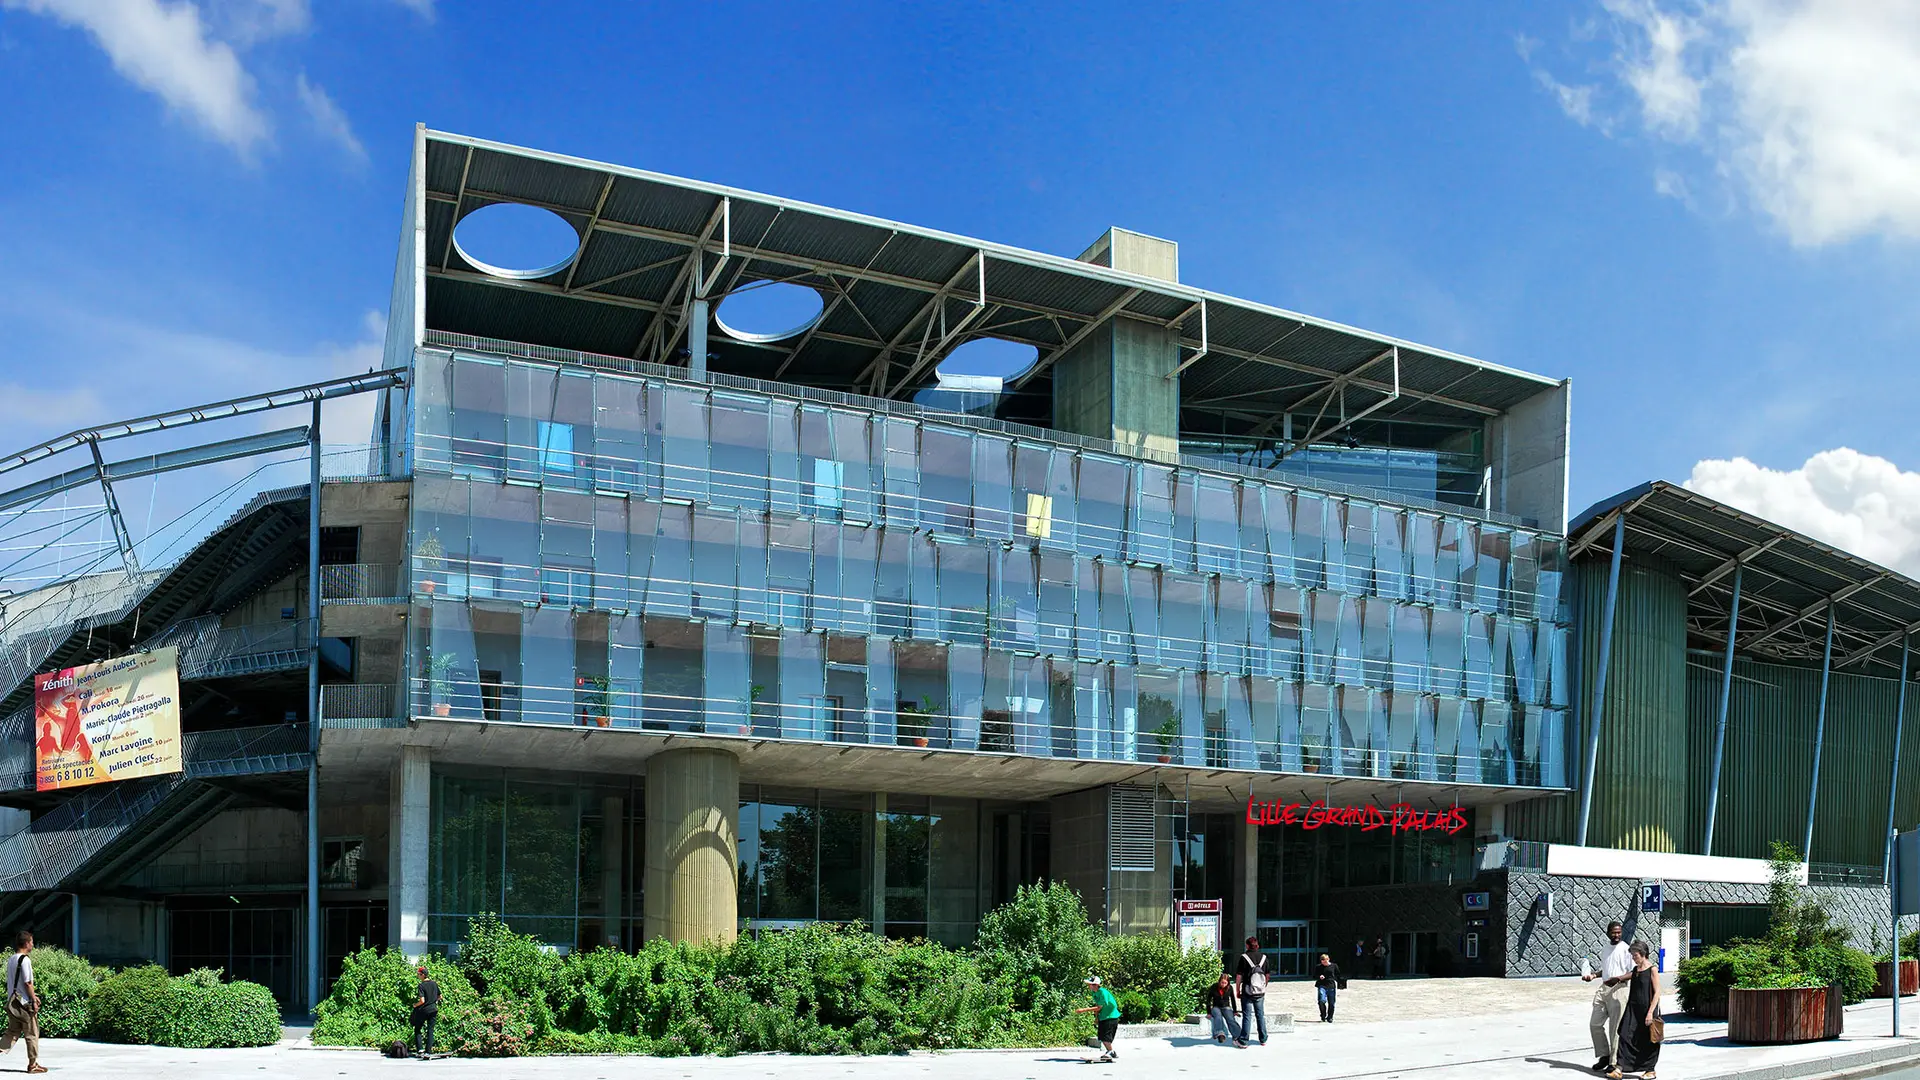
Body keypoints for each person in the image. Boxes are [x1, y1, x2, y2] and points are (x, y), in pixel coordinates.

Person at [1583, 919, 1633, 1074]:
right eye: (1614, 932)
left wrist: (1618, 979)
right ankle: (1604, 1055)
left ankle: (1614, 1062)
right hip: (1604, 988)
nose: (1617, 935)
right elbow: (1606, 969)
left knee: (1615, 1028)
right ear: (1608, 933)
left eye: (1619, 932)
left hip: (1619, 989)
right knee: (1595, 1024)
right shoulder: (1605, 948)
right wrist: (1593, 975)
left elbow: (1633, 972)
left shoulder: (1626, 949)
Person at [1610, 941, 1661, 1080]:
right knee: (1625, 1035)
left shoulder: (1652, 969)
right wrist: (1618, 979)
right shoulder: (1635, 970)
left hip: (1648, 1009)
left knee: (1649, 1040)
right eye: (1632, 955)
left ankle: (1650, 1070)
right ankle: (1619, 1068)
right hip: (1633, 1008)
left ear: (1643, 954)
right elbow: (1630, 976)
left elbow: (1657, 993)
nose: (1633, 957)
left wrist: (1650, 1012)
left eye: (1635, 955)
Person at [0, 930, 46, 1074]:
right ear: (26, 943)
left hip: (13, 1003)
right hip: (24, 1004)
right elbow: (27, 983)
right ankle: (33, 1064)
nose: (32, 944)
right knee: (31, 1033)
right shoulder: (25, 960)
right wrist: (34, 999)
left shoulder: (12, 959)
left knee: (12, 1032)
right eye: (31, 941)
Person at [1074, 974, 1122, 1063]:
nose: (1089, 986)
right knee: (1101, 1036)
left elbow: (1099, 1007)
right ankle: (1112, 1052)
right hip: (1103, 1016)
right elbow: (1097, 1005)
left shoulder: (1103, 992)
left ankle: (1110, 1052)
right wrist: (1096, 1017)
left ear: (1095, 985)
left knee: (1105, 1037)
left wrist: (1083, 1010)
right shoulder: (1095, 993)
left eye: (1090, 984)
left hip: (1111, 1017)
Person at [1235, 936, 1270, 1045]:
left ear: (1247, 946)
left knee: (1247, 1015)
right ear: (1257, 946)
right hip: (1260, 991)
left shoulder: (1244, 957)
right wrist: (1263, 986)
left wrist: (1237, 990)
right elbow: (1267, 975)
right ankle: (1263, 1039)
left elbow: (1239, 976)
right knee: (1260, 1015)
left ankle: (1244, 1041)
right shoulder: (1264, 957)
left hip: (1247, 991)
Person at [1204, 972, 1244, 1046]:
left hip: (1226, 1007)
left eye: (1225, 983)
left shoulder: (1230, 988)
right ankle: (1220, 1034)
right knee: (1218, 1017)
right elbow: (1208, 999)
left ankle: (1238, 1035)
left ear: (1228, 983)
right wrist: (1208, 1012)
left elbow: (1232, 999)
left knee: (1230, 1019)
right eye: (1222, 982)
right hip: (1216, 1007)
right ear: (1219, 981)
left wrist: (1235, 1011)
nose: (1223, 984)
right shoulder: (1214, 987)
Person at [412, 964, 442, 1056]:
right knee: (430, 1030)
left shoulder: (421, 985)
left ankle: (420, 1049)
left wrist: (415, 1005)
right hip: (433, 1009)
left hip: (424, 1010)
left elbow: (422, 1001)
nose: (417, 976)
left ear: (423, 975)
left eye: (418, 974)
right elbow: (440, 996)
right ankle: (428, 1051)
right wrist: (433, 1001)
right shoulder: (434, 983)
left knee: (418, 1028)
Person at [1313, 952, 1342, 1022]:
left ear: (1328, 959)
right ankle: (1323, 1014)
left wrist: (1341, 983)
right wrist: (1319, 976)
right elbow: (1314, 975)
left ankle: (1330, 1017)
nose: (1324, 963)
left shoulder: (1334, 966)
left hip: (1331, 985)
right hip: (1322, 985)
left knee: (1331, 1003)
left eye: (1326, 961)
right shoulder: (1318, 967)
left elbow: (1338, 975)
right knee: (1321, 1001)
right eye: (1323, 961)